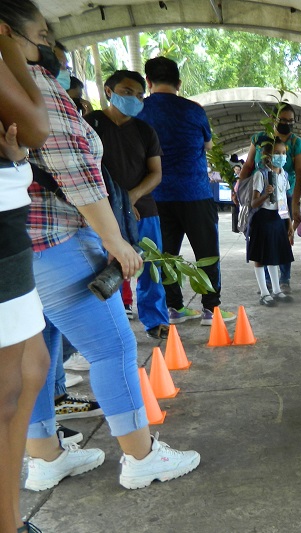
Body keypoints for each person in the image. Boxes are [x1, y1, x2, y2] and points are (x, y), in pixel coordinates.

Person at [8, 1, 200, 500]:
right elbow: (75, 170)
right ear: (8, 33)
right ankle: (140, 457)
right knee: (111, 347)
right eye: (41, 34)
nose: (48, 45)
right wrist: (115, 241)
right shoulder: (29, 84)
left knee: (38, 354)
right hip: (56, 240)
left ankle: (46, 458)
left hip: (13, 249)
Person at [137, 56, 234, 325]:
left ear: (148, 81)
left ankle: (174, 307)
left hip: (156, 194)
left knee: (166, 254)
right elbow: (208, 146)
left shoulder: (139, 111)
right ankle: (210, 310)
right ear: (179, 83)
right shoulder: (193, 110)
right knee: (206, 251)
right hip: (195, 192)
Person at [0, 12, 50, 531]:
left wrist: (15, 165)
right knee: (8, 385)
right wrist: (8, 46)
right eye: (36, 38)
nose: (43, 49)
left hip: (9, 221)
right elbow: (36, 127)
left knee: (31, 365)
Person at [85, 70, 169, 339]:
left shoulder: (145, 131)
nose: (133, 98)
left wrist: (129, 198)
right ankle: (106, 325)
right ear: (109, 92)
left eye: (139, 94)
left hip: (142, 209)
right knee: (102, 269)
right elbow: (83, 170)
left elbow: (155, 173)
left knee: (150, 266)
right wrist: (113, 206)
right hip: (99, 212)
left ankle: (156, 320)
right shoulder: (90, 125)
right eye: (126, 92)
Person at [239, 103, 301, 295]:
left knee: (283, 239)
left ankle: (283, 280)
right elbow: (248, 164)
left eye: (290, 121)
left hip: (285, 195)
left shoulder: (297, 144)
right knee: (263, 243)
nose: (286, 123)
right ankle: (267, 285)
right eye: (282, 120)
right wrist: (239, 187)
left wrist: (294, 206)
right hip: (262, 199)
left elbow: (300, 175)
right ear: (273, 118)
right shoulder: (260, 139)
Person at [247, 138, 294, 307]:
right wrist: (266, 195)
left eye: (283, 153)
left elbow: (282, 201)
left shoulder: (283, 175)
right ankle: (264, 292)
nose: (281, 156)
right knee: (261, 256)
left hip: (277, 218)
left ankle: (276, 290)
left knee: (274, 254)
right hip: (263, 219)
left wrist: (288, 222)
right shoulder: (261, 174)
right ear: (267, 155)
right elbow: (253, 203)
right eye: (277, 153)